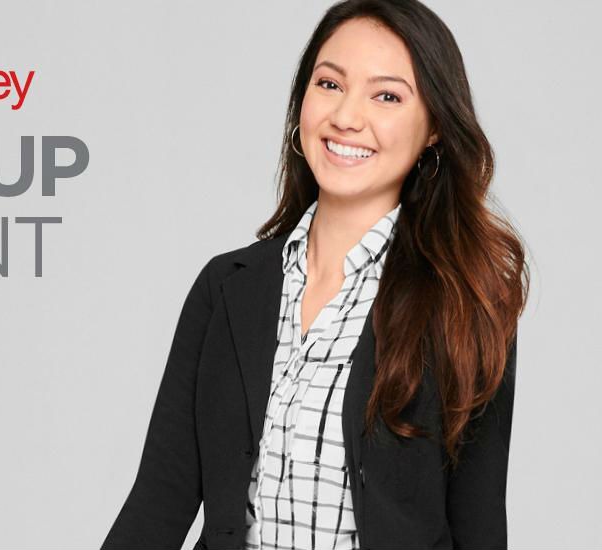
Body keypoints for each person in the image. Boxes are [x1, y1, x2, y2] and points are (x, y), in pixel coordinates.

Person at [102, 0, 528, 548]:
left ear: (434, 129)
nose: (347, 116)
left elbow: (480, 525)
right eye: (329, 84)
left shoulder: (466, 303)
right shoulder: (227, 289)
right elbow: (157, 502)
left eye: (387, 96)